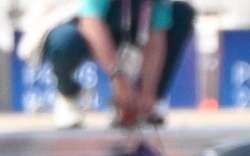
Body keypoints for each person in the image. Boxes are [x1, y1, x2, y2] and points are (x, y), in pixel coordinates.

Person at [37, 0, 195, 128]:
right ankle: (69, 94)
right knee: (64, 40)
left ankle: (146, 104)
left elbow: (156, 38)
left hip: (127, 26)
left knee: (181, 13)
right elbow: (91, 23)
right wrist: (119, 80)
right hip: (80, 23)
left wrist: (147, 92)